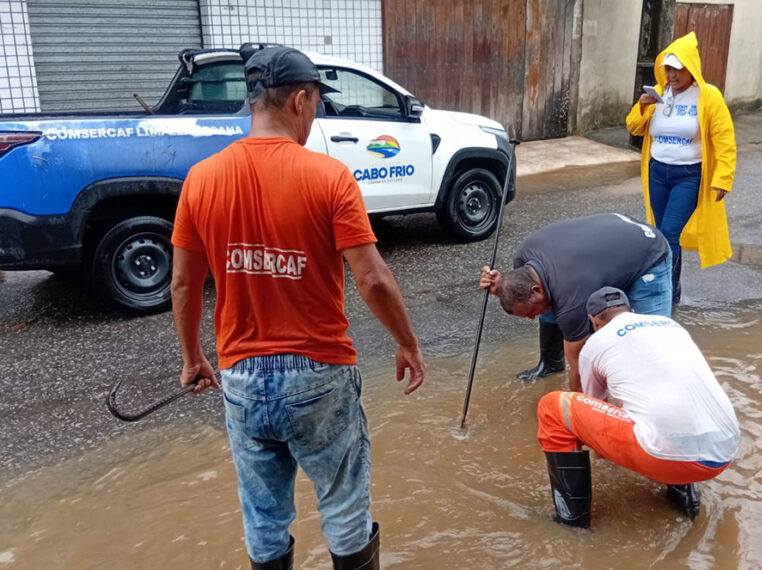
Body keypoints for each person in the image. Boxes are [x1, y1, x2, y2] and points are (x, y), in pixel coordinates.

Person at [170, 46, 425, 570]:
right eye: (317, 104)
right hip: (319, 373)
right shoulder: (329, 176)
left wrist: (193, 358)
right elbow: (373, 278)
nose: (316, 115)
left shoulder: (201, 179)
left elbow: (183, 284)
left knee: (263, 517)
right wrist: (407, 343)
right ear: (300, 100)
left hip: (240, 374)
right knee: (344, 506)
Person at [536, 287, 740, 526]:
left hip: (670, 458)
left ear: (593, 321)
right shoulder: (669, 325)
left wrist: (603, 455)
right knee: (660, 397)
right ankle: (683, 497)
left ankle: (571, 520)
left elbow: (594, 404)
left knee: (553, 406)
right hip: (724, 451)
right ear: (630, 311)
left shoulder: (595, 343)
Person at [479, 213, 672, 391]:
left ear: (536, 289)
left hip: (648, 249)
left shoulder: (571, 300)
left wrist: (576, 410)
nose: (531, 318)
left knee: (648, 341)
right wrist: (501, 286)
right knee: (548, 303)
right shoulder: (523, 259)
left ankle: (658, 391)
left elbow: (580, 368)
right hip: (612, 235)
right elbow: (518, 287)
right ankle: (551, 364)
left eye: (529, 312)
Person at [626, 31, 736, 305]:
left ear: (691, 68)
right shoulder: (658, 94)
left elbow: (724, 139)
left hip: (688, 175)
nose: (672, 75)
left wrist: (723, 178)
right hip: (658, 172)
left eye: (678, 69)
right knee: (661, 233)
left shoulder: (707, 96)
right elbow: (634, 127)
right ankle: (670, 289)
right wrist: (642, 107)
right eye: (668, 69)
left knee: (669, 233)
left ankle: (667, 294)